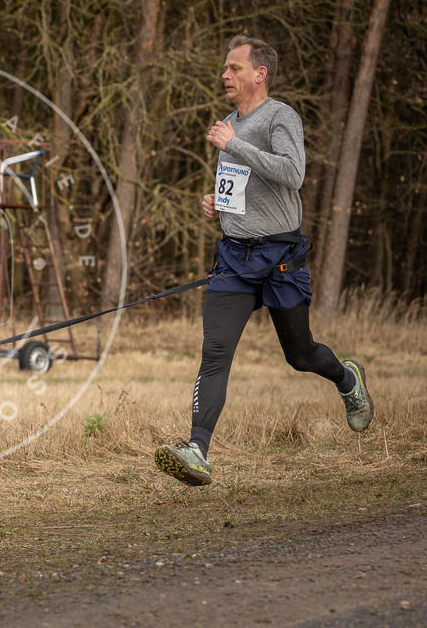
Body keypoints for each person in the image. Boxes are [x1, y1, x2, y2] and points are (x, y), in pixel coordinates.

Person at [154, 34, 373, 487]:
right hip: (234, 258)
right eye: (225, 68)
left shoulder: (279, 117)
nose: (225, 75)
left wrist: (234, 146)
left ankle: (345, 376)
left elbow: (293, 174)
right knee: (215, 353)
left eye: (234, 68)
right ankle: (197, 450)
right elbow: (249, 186)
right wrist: (219, 202)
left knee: (300, 354)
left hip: (279, 260)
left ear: (260, 74)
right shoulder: (229, 124)